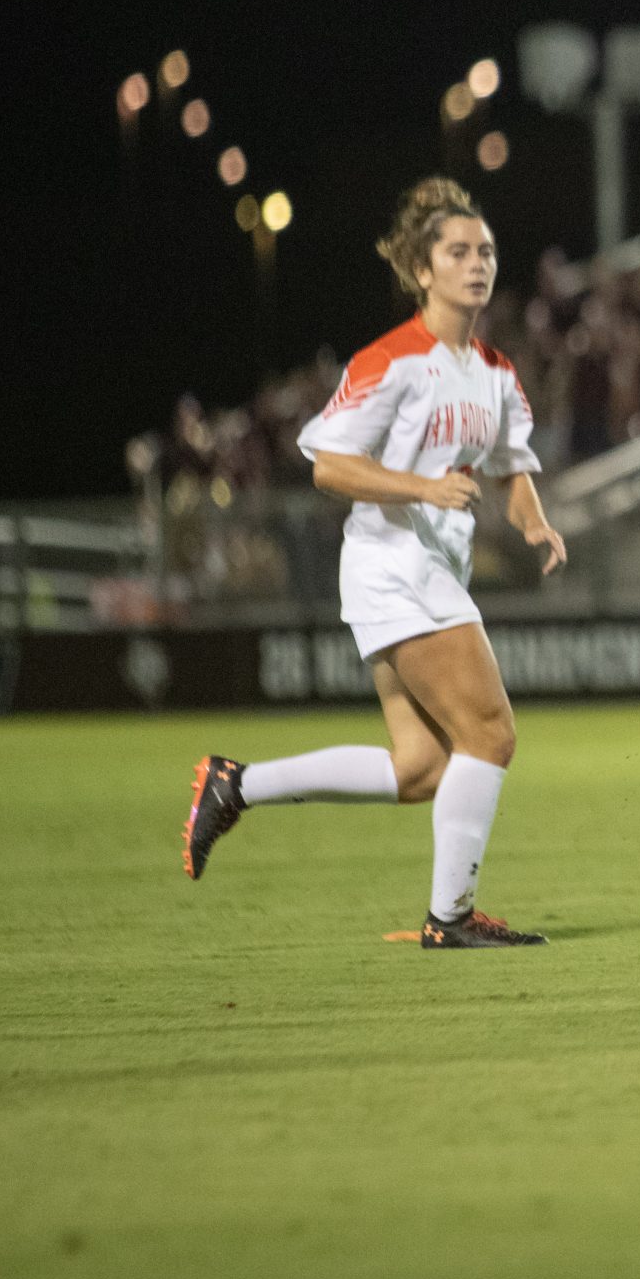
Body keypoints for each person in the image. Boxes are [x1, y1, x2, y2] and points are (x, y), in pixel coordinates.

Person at [181, 178, 566, 949]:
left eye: (485, 251)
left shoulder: (492, 371)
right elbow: (329, 463)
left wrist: (535, 521)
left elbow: (508, 465)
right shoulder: (390, 361)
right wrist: (423, 486)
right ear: (422, 271)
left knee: (420, 767)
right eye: (457, 252)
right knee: (490, 734)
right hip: (394, 565)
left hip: (423, 572)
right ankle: (449, 919)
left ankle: (235, 784)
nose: (476, 264)